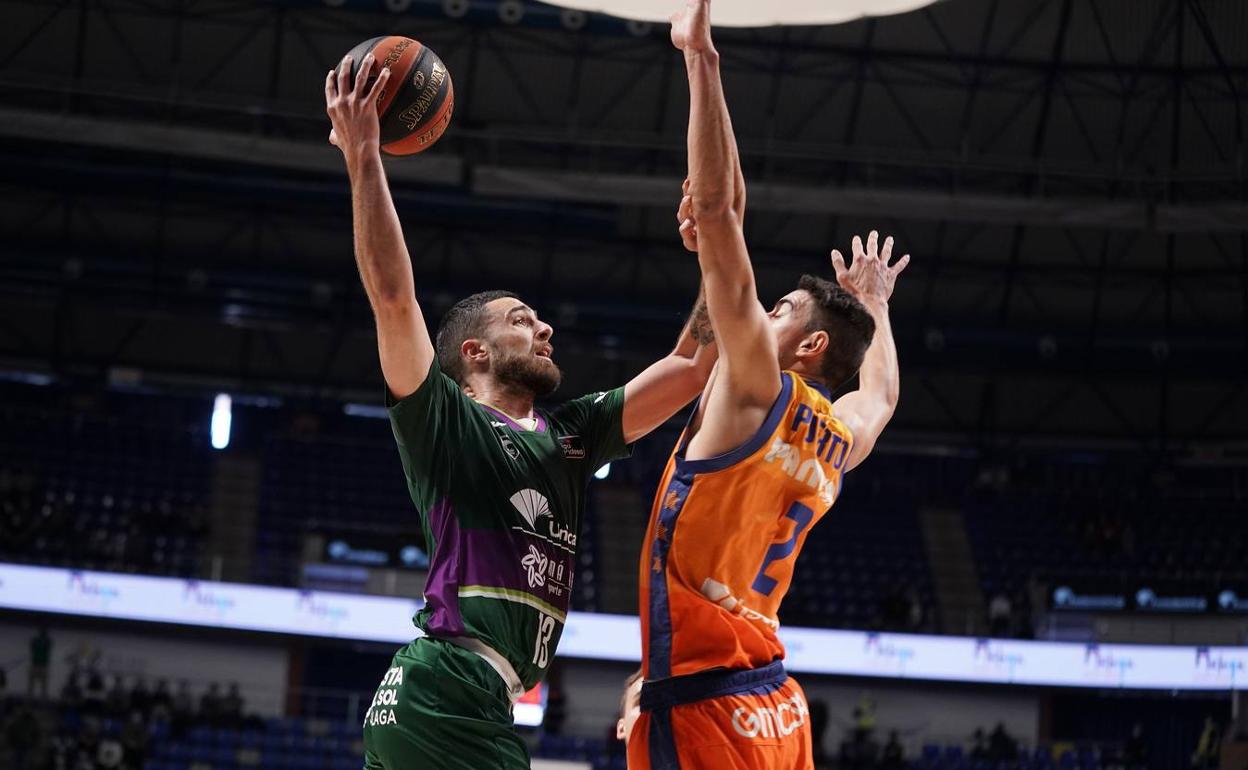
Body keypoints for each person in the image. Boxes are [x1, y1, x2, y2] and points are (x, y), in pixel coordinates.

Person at [323, 46, 716, 770]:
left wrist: (713, 253)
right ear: (472, 353)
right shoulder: (442, 420)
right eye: (521, 319)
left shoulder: (571, 432)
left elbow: (693, 366)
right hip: (445, 687)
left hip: (472, 696)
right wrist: (365, 159)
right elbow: (390, 296)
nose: (544, 329)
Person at [629, 2, 908, 768]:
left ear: (810, 346)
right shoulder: (838, 439)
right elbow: (879, 397)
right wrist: (878, 308)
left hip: (706, 703)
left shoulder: (755, 386)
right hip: (777, 703)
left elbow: (720, 214)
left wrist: (701, 62)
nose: (760, 311)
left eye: (779, 308)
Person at [27, 626, 51, 699]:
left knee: (44, 685)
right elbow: (32, 647)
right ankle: (29, 698)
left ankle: (43, 698)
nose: (43, 633)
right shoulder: (35, 640)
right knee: (31, 684)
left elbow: (48, 647)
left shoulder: (48, 641)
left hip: (43, 665)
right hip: (35, 664)